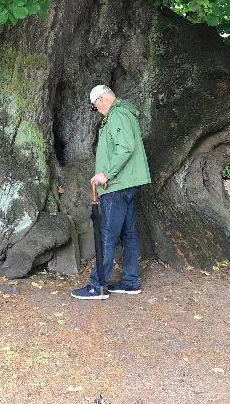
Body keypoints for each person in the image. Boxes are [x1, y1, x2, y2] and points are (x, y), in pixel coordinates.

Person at [71, 85, 151, 300]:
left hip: (116, 186)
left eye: (94, 105)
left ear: (101, 99)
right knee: (128, 235)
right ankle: (130, 281)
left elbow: (125, 147)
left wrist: (106, 173)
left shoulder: (117, 114)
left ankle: (98, 286)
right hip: (127, 184)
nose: (96, 110)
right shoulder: (125, 114)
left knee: (106, 235)